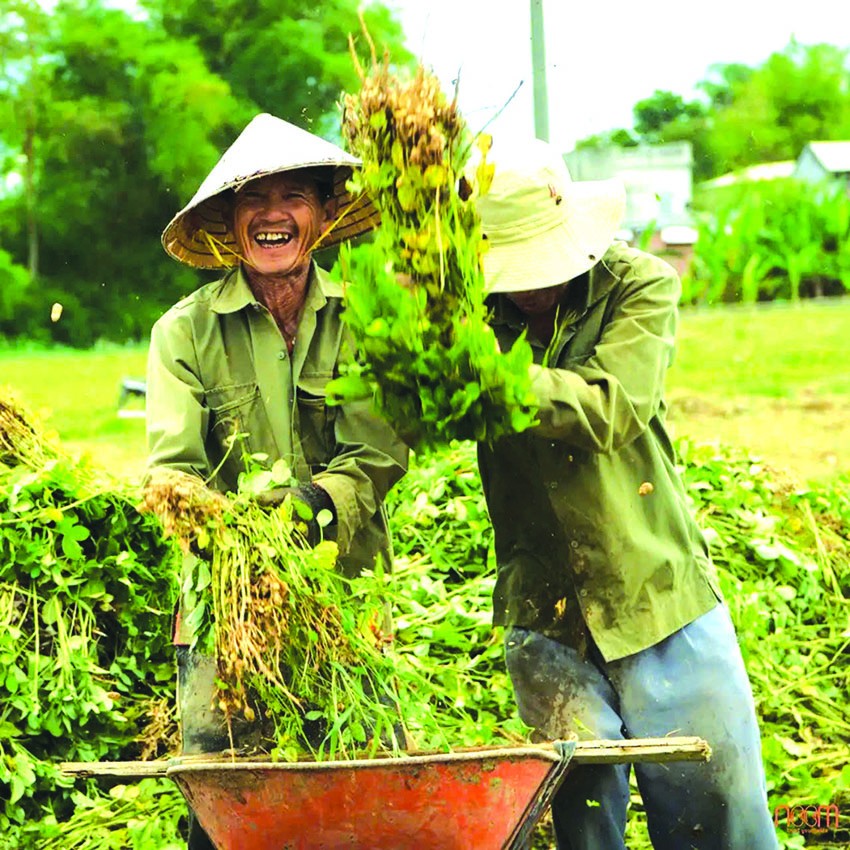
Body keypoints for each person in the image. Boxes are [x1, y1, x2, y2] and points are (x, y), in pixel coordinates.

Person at [473, 138, 779, 849]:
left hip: (656, 595)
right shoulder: (472, 316)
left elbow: (611, 409)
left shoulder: (637, 285)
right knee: (582, 822)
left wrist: (485, 374)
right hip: (544, 610)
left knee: (716, 813)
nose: (526, 285)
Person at [146, 113, 408, 850]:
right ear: (229, 223)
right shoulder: (184, 333)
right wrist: (243, 542)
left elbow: (376, 454)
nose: (273, 213)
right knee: (229, 805)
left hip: (346, 595)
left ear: (322, 216)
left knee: (363, 791)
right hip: (224, 610)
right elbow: (174, 470)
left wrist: (312, 509)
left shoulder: (362, 322)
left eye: (294, 195)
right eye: (252, 198)